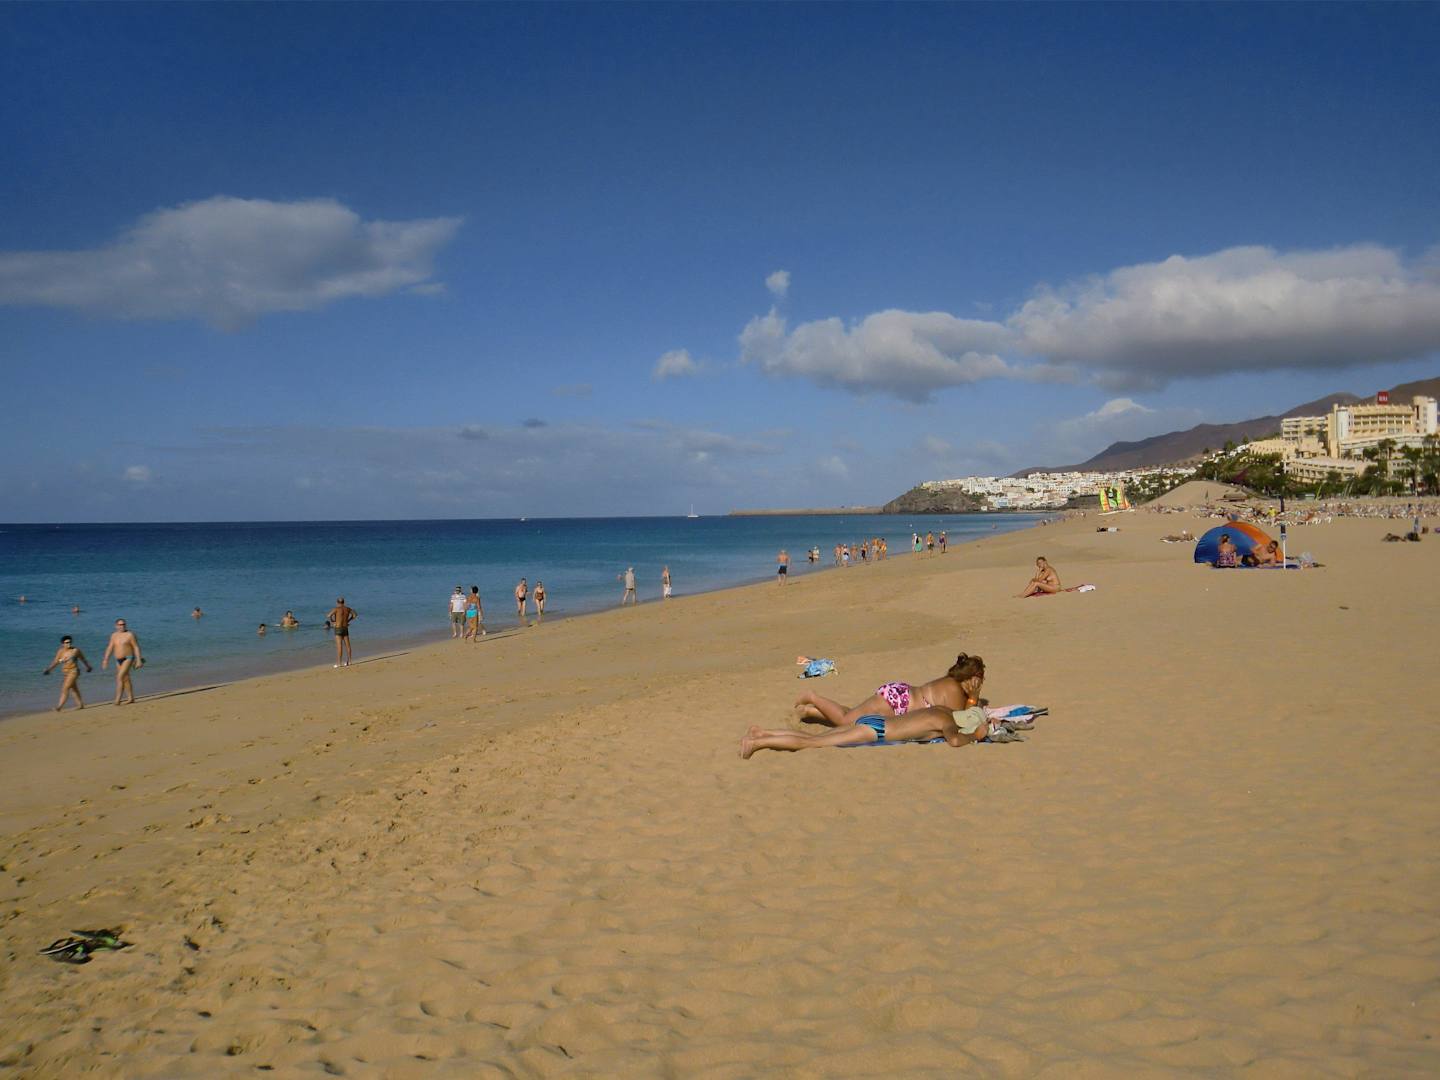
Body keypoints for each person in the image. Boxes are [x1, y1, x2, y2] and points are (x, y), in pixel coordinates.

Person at [794, 653, 986, 728]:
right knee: (845, 722)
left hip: (899, 698)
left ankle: (811, 712)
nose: (982, 682)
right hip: (899, 702)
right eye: (980, 677)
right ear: (972, 677)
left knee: (854, 717)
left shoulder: (952, 684)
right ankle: (812, 697)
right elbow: (962, 723)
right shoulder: (954, 689)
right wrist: (974, 697)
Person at [742, 703, 989, 758]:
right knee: (813, 743)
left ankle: (763, 733)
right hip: (876, 730)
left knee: (815, 737)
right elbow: (954, 741)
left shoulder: (942, 709)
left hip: (876, 720)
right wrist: (974, 736)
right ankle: (758, 743)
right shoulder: (947, 722)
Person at [43, 635, 92, 711]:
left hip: (74, 671)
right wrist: (49, 669)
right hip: (66, 673)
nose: (69, 644)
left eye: (70, 642)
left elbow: (83, 659)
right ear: (63, 644)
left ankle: (59, 707)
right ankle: (80, 705)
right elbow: (56, 662)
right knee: (74, 689)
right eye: (67, 642)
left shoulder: (75, 650)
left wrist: (88, 667)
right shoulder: (60, 651)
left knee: (65, 688)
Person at [101, 618, 143, 705]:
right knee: (125, 678)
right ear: (116, 626)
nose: (122, 626)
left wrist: (139, 660)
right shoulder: (113, 635)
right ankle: (131, 698)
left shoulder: (130, 634)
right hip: (118, 660)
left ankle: (117, 699)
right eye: (120, 625)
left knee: (119, 677)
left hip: (128, 658)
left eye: (123, 624)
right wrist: (105, 660)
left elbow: (136, 647)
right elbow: (110, 647)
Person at [327, 597, 356, 667]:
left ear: (337, 602)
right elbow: (355, 615)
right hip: (345, 628)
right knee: (348, 645)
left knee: (339, 646)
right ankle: (350, 662)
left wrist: (333, 621)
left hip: (338, 628)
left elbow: (328, 615)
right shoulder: (348, 609)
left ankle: (339, 663)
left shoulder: (336, 609)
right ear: (344, 602)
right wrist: (348, 620)